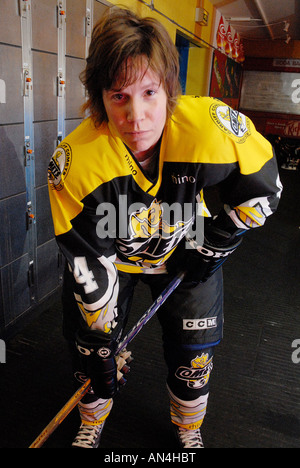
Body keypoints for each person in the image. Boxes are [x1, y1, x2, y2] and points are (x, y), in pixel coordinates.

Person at [48, 7, 282, 449]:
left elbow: (266, 187)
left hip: (187, 250)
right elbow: (88, 263)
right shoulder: (76, 161)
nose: (137, 116)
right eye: (119, 96)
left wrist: (217, 242)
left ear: (169, 90)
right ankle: (91, 419)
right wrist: (100, 342)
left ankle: (188, 429)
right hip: (113, 258)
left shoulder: (210, 130)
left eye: (149, 92)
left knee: (193, 356)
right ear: (100, 98)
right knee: (90, 353)